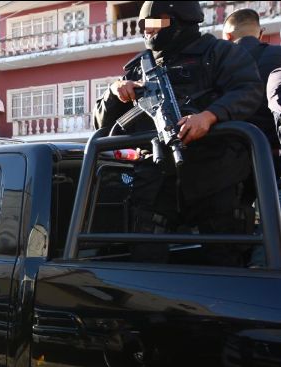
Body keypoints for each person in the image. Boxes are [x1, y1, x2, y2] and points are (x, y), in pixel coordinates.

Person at [94, 1, 262, 267]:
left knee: (226, 262)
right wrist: (114, 93)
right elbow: (101, 124)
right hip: (156, 178)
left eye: (156, 21)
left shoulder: (219, 53)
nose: (148, 29)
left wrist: (210, 116)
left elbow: (248, 90)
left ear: (183, 18)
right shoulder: (140, 66)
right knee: (146, 262)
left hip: (214, 174)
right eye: (144, 24)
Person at [223, 8, 281, 173]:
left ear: (228, 37)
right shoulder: (278, 55)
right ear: (261, 34)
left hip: (232, 165)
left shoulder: (216, 67)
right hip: (275, 159)